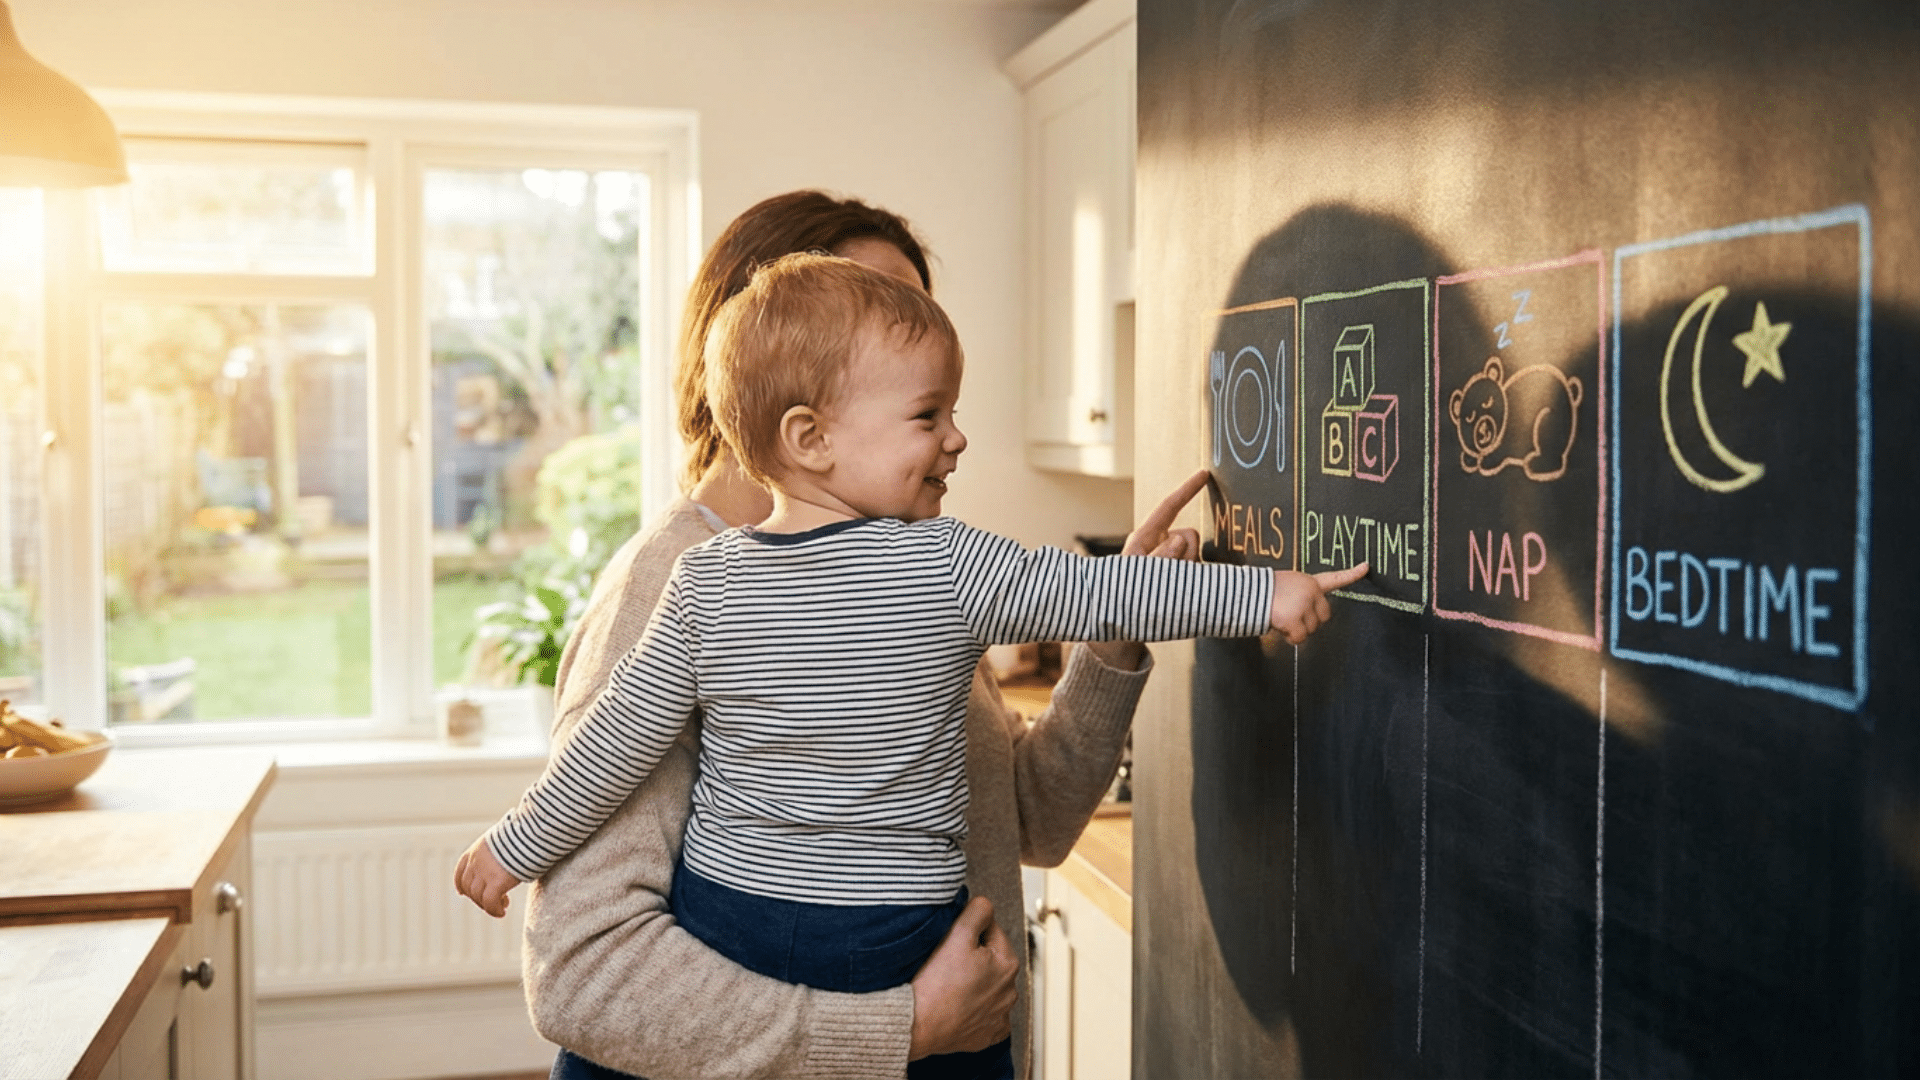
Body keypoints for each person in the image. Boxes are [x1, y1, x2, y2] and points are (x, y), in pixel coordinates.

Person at [457, 252, 1366, 1077]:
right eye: (928, 414)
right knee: (967, 1055)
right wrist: (1268, 597)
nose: (957, 439)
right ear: (812, 436)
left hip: (731, 912)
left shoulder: (707, 582)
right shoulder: (940, 563)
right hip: (890, 934)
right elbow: (1091, 591)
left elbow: (614, 744)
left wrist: (514, 845)